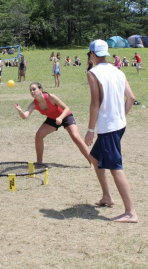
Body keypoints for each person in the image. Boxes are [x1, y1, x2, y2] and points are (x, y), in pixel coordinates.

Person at [85, 39, 137, 223]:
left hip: (109, 128)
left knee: (115, 168)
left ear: (92, 54)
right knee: (95, 158)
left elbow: (95, 103)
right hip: (119, 125)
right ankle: (107, 197)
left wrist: (90, 129)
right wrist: (121, 117)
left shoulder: (93, 73)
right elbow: (131, 97)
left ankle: (131, 213)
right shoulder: (118, 71)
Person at [15, 82, 91, 165]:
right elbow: (25, 116)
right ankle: (39, 163)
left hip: (65, 116)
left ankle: (92, 162)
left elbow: (66, 108)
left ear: (40, 90)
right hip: (52, 119)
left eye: (34, 89)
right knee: (39, 135)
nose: (32, 92)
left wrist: (61, 118)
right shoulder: (34, 104)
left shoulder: (50, 97)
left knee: (75, 137)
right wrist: (20, 111)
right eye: (30, 90)